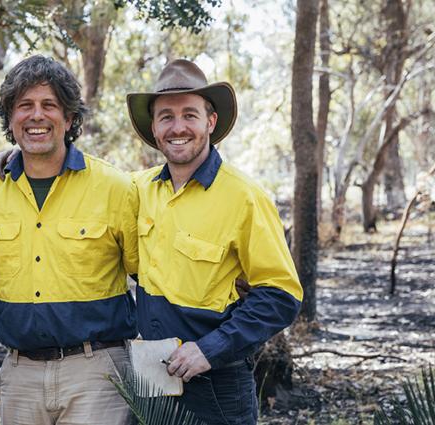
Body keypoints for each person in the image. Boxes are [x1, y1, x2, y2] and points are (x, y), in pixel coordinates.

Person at [127, 59, 303, 424]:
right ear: (154, 129)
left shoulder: (245, 197)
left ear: (210, 122)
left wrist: (210, 349)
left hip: (216, 385)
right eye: (166, 117)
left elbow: (281, 295)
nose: (178, 128)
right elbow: (80, 183)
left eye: (189, 115)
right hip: (150, 379)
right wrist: (21, 155)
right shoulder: (137, 189)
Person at [0, 55, 138, 425]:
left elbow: (150, 278)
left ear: (70, 118)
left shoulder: (116, 188)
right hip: (20, 374)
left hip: (96, 373)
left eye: (49, 105)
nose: (36, 116)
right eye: (24, 106)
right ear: (10, 120)